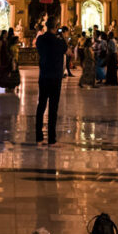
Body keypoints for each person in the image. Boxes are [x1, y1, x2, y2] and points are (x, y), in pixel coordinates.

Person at [35, 17, 66, 145]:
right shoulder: (59, 42)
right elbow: (65, 49)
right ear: (55, 27)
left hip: (44, 76)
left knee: (41, 105)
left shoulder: (40, 39)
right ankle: (52, 138)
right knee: (53, 108)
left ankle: (39, 137)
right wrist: (60, 36)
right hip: (55, 77)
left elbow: (39, 50)